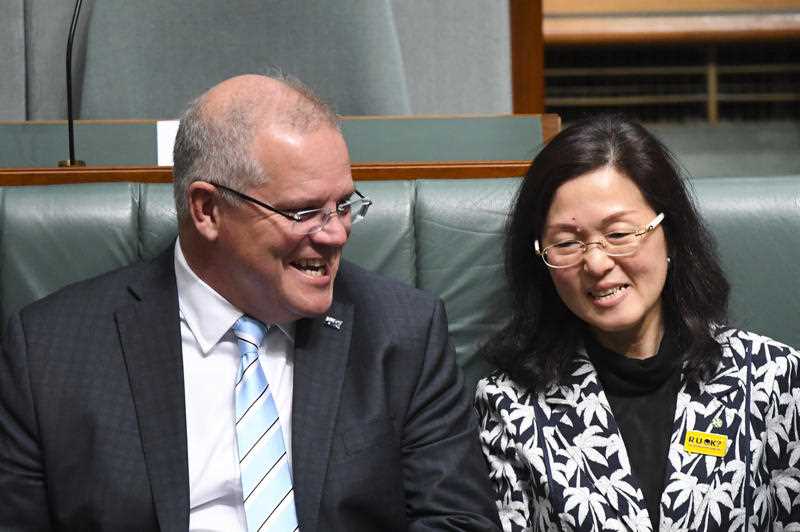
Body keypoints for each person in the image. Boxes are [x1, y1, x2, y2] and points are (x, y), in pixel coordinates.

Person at [0, 73, 500, 531]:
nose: (336, 234)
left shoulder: (401, 332)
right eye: (304, 212)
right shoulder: (48, 352)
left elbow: (458, 521)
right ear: (207, 210)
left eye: (344, 205)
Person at [475, 114, 800, 531]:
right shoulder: (509, 405)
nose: (596, 262)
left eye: (619, 234)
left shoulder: (772, 380)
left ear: (671, 233)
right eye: (568, 243)